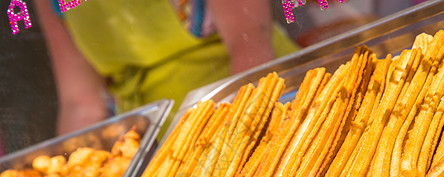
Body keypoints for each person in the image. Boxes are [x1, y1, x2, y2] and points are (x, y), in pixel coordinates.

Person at [33, 0, 298, 136]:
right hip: (155, 142)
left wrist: (238, 139)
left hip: (253, 101)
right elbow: (80, 104)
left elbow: (249, 43)